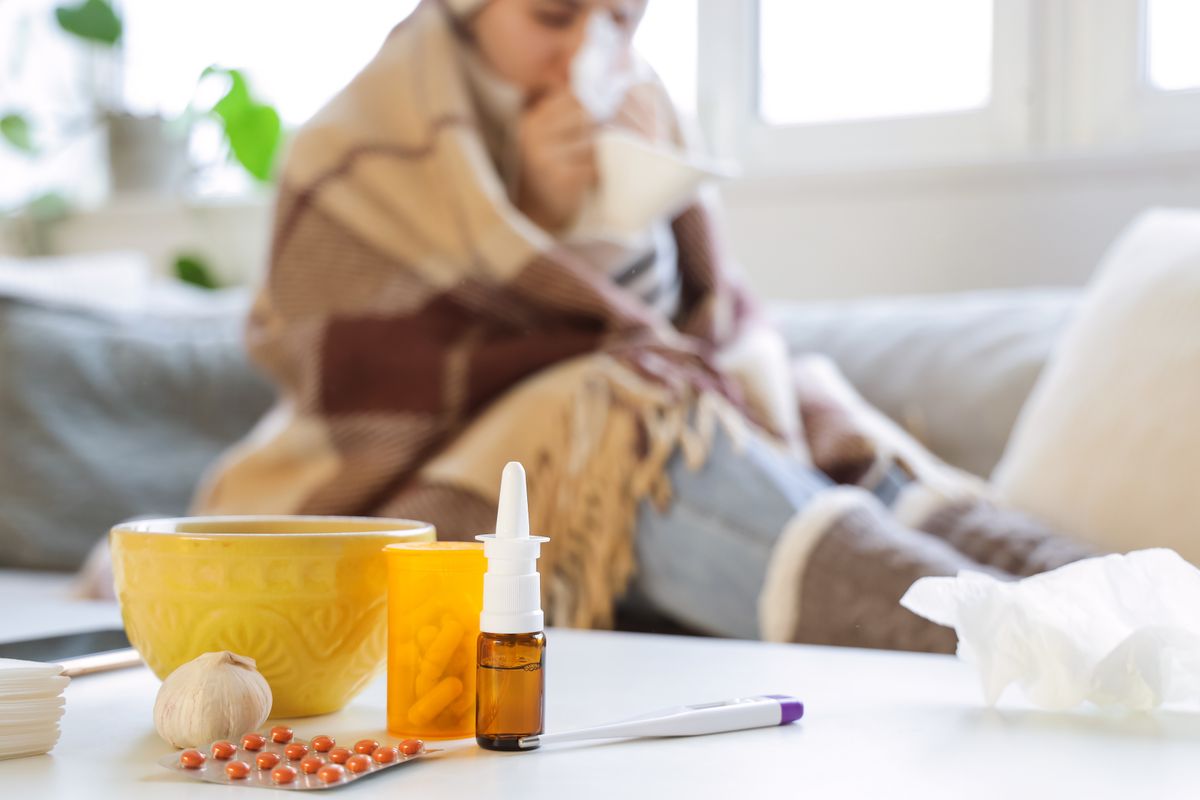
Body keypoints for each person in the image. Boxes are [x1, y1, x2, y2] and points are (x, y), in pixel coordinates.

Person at [193, 0, 1093, 652]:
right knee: (624, 416)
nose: (590, 50)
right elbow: (352, 373)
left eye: (621, 20)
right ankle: (1016, 642)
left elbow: (693, 336)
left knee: (806, 400)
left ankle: (1090, 594)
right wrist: (545, 221)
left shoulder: (642, 105)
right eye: (553, 16)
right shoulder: (358, 143)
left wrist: (614, 211)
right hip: (422, 496)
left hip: (610, 442)